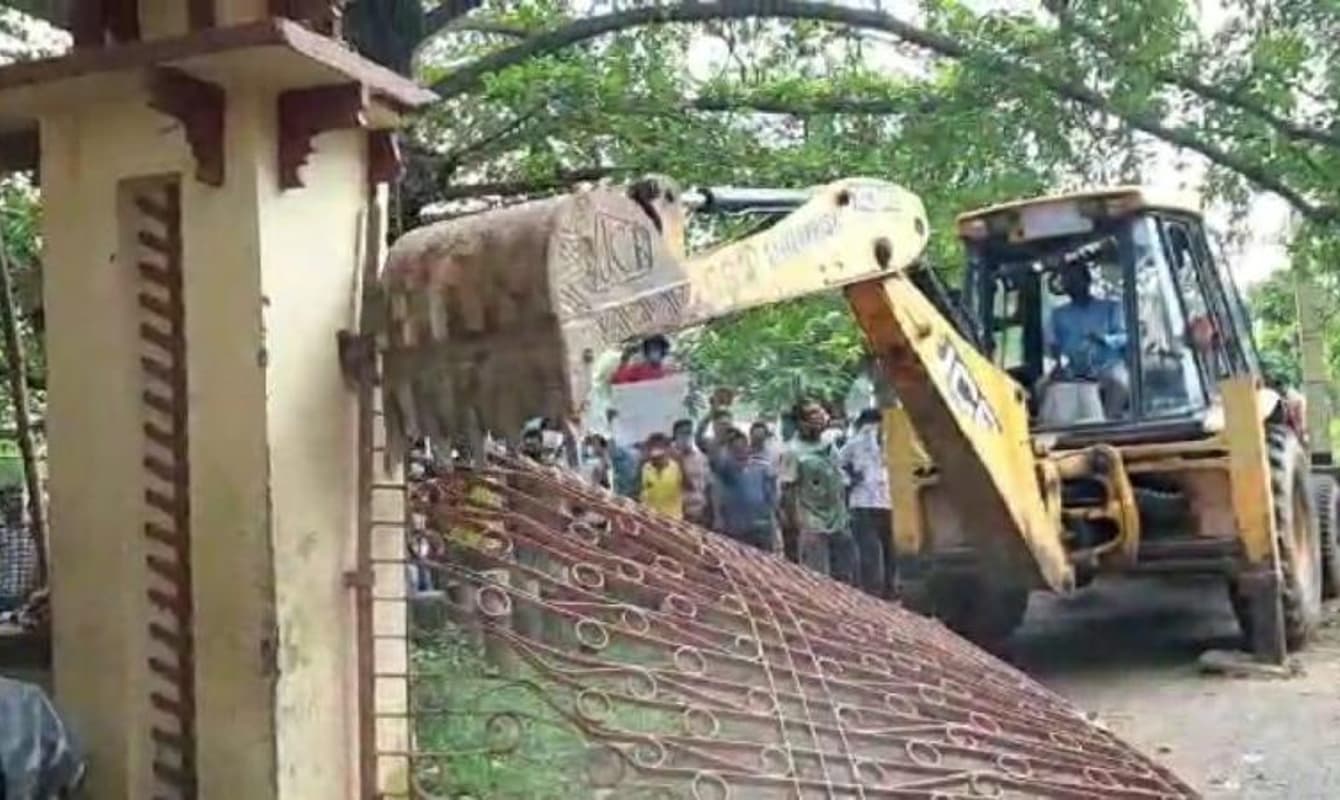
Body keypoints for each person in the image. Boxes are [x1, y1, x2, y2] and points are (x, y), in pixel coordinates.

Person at [779, 399, 857, 584]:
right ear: (801, 423)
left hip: (839, 520)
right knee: (818, 579)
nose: (820, 417)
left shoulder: (829, 444)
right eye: (813, 414)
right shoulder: (793, 451)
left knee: (846, 577)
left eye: (820, 412)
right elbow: (788, 490)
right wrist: (797, 523)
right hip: (812, 523)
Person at [1048, 262, 1130, 417]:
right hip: (1075, 370)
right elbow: (1054, 345)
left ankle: (1109, 425)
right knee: (1042, 387)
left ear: (1087, 280)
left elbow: (1125, 337)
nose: (1072, 285)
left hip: (1107, 367)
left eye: (1076, 280)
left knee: (1120, 383)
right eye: (1068, 281)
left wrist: (1104, 339)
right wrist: (1059, 364)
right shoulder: (1058, 314)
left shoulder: (1110, 307)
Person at [838, 408, 892, 597]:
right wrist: (851, 478)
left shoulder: (886, 441)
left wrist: (850, 478)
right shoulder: (856, 443)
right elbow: (838, 466)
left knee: (876, 549)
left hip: (879, 501)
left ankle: (881, 590)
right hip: (868, 501)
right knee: (877, 550)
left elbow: (837, 465)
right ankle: (878, 591)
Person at [710, 428, 779, 552]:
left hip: (761, 527)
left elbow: (771, 497)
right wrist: (722, 440)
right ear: (730, 451)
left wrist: (773, 522)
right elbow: (714, 456)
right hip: (736, 528)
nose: (741, 451)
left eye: (743, 446)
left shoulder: (761, 467)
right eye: (736, 448)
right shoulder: (727, 469)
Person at [0, 486, 35, 613]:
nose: (16, 505)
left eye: (18, 501)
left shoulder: (33, 533)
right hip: (4, 596)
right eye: (11, 501)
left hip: (26, 597)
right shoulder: (3, 533)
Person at [671, 419, 710, 526]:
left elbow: (706, 486)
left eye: (689, 433)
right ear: (675, 435)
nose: (686, 436)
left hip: (698, 514)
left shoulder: (701, 458)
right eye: (683, 433)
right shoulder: (668, 458)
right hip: (675, 515)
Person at [639, 433, 686, 519]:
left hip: (674, 520)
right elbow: (640, 491)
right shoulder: (645, 468)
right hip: (651, 521)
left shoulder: (677, 467)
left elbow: (689, 488)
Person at [610, 335, 675, 384]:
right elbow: (616, 379)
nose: (654, 351)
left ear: (663, 351)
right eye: (651, 348)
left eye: (657, 348)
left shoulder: (667, 372)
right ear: (646, 351)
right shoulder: (637, 370)